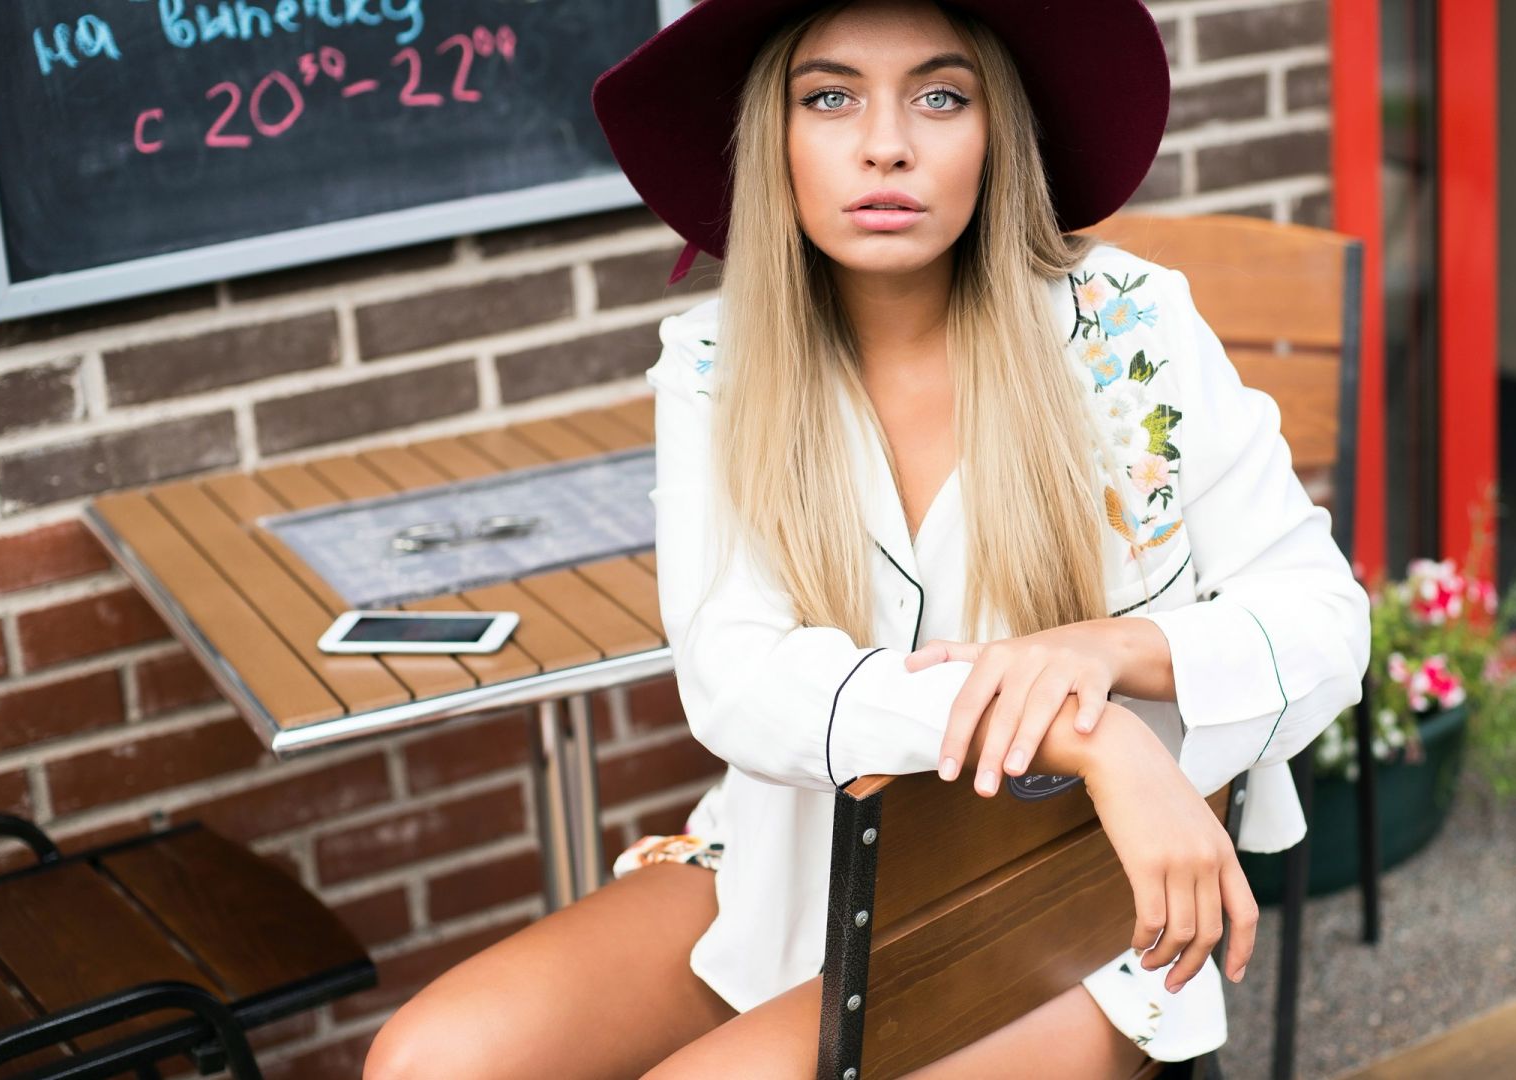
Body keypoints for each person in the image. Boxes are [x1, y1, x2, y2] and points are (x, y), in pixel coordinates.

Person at [363, 1, 1370, 1077]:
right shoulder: (717, 365)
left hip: (1070, 906)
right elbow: (735, 675)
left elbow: (1322, 617)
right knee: (427, 1061)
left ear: (998, 134)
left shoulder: (1128, 326)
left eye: (941, 96)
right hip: (794, 859)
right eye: (830, 96)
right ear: (774, 137)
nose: (885, 141)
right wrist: (1076, 730)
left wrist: (1102, 655)